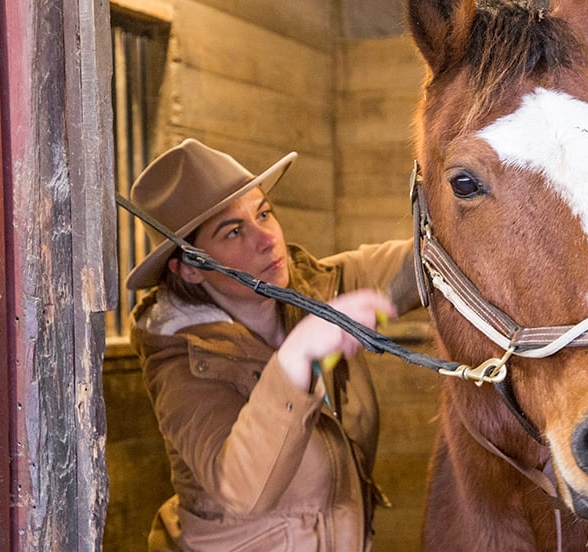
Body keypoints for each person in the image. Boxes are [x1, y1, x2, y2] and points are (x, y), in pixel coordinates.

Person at [125, 138, 418, 551]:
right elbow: (243, 488)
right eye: (233, 231)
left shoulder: (314, 289)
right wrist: (296, 357)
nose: (266, 239)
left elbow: (422, 265)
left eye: (264, 213)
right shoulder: (181, 360)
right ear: (191, 268)